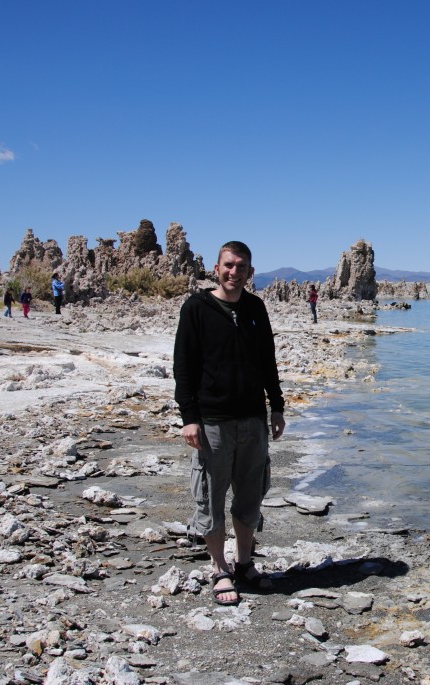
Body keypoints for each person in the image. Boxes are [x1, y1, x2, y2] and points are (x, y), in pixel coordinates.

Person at [173, 240, 286, 606]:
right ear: (216, 267)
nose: (233, 272)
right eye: (228, 265)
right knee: (210, 497)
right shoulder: (196, 308)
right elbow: (184, 367)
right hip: (213, 423)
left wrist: (277, 406)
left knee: (251, 497)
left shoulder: (255, 308)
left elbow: (268, 360)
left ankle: (245, 563)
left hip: (252, 419)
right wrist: (189, 418)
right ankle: (220, 569)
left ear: (250, 273)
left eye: (240, 267)